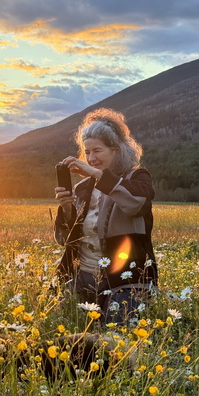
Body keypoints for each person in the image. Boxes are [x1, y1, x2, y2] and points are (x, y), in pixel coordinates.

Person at [54, 108, 157, 323]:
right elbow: (64, 240)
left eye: (97, 151)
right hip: (81, 276)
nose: (91, 158)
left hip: (124, 279)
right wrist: (66, 208)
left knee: (116, 337)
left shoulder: (137, 179)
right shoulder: (83, 188)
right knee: (60, 327)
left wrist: (97, 175)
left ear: (116, 150)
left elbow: (136, 204)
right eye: (87, 151)